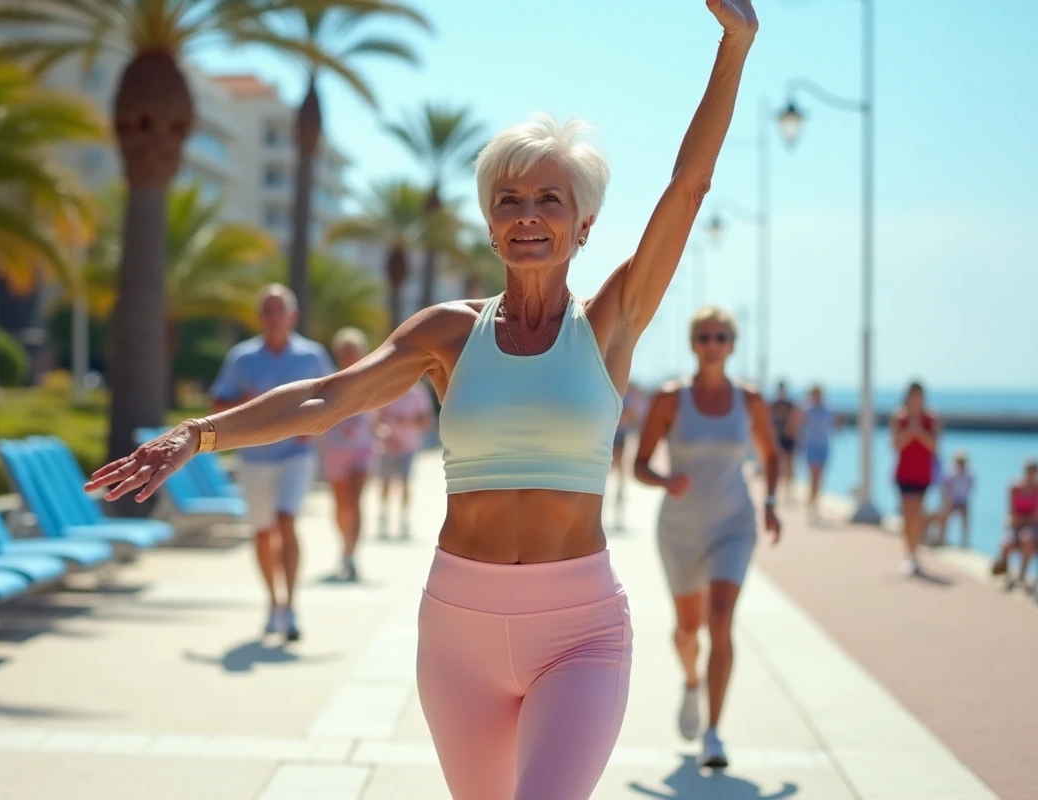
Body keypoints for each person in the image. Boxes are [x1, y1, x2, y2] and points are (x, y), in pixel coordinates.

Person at [86, 2, 759, 793]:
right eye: (509, 200)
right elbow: (327, 398)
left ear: (583, 225)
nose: (529, 215)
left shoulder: (610, 322)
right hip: (458, 632)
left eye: (550, 199)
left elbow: (688, 188)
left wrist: (734, 47)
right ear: (489, 224)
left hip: (578, 632)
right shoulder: (448, 332)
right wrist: (197, 435)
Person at [633, 305, 781, 769]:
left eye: (720, 337)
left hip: (734, 525)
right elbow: (639, 463)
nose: (712, 344)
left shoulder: (750, 400)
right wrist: (662, 481)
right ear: (693, 344)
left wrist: (772, 503)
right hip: (679, 529)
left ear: (732, 345)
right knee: (687, 629)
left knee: (721, 621)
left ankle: (714, 734)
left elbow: (771, 456)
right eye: (704, 337)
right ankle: (691, 682)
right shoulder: (670, 398)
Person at [208, 284, 335, 641]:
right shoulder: (242, 358)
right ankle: (273, 602)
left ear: (292, 316)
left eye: (280, 309)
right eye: (268, 310)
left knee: (286, 519)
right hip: (253, 458)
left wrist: (314, 426)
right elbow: (217, 404)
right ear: (260, 317)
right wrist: (244, 402)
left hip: (296, 455)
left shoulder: (312, 356)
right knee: (263, 533)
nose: (274, 316)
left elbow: (337, 400)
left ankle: (291, 606)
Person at [321, 328, 376, 581]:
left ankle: (352, 554)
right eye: (345, 352)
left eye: (353, 351)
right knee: (342, 505)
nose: (349, 356)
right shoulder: (328, 381)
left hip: (362, 449)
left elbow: (381, 411)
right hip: (336, 450)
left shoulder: (373, 379)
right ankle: (344, 546)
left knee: (355, 502)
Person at [892, 381, 941, 577]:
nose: (915, 400)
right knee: (907, 515)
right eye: (912, 396)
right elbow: (895, 445)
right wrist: (909, 430)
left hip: (922, 473)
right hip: (904, 473)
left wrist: (919, 431)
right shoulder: (899, 416)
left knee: (918, 514)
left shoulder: (931, 418)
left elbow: (934, 446)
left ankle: (915, 553)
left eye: (918, 396)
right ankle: (908, 554)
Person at [374, 379, 434, 540]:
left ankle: (403, 520)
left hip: (409, 446)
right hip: (387, 446)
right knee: (385, 483)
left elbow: (426, 420)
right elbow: (377, 419)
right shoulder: (387, 388)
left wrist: (409, 420)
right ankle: (383, 517)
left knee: (405, 483)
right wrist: (385, 435)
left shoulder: (418, 392)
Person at [991, 458, 1037, 591]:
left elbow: (1035, 518)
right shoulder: (1014, 487)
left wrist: (1022, 519)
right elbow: (1012, 514)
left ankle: (1022, 575)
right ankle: (1007, 574)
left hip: (1032, 528)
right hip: (1016, 527)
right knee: (1007, 543)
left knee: (1027, 538)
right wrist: (1023, 520)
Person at [609, 382, 650, 529]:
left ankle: (617, 515)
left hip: (619, 438)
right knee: (612, 477)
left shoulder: (625, 397)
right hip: (611, 437)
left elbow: (632, 419)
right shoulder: (618, 394)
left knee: (618, 477)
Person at [798, 384, 837, 517]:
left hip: (824, 446)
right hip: (811, 446)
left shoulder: (828, 409)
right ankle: (812, 502)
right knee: (813, 475)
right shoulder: (807, 409)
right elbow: (797, 423)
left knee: (819, 476)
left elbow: (835, 425)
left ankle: (814, 500)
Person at [768, 381, 801, 501]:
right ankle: (780, 488)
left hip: (789, 437)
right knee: (779, 463)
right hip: (778, 437)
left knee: (790, 463)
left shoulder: (790, 405)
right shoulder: (773, 404)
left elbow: (796, 421)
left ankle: (790, 488)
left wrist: (795, 434)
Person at [934, 451, 973, 548]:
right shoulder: (951, 474)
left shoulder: (969, 475)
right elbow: (945, 488)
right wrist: (947, 501)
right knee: (944, 518)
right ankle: (941, 538)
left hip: (962, 501)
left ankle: (964, 543)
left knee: (966, 520)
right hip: (951, 501)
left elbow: (969, 489)